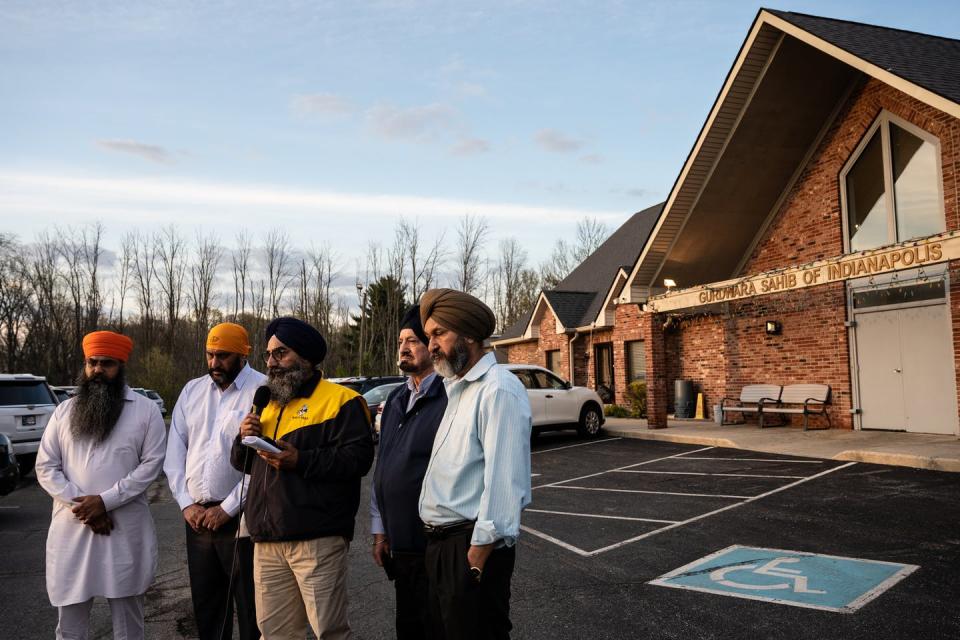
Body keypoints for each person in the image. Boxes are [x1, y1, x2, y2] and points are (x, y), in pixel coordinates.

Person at [231, 316, 374, 640]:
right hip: (267, 541)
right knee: (275, 635)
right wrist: (243, 438)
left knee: (330, 633)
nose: (271, 362)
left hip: (317, 539)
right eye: (268, 355)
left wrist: (301, 459)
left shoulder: (342, 401)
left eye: (280, 353)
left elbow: (359, 459)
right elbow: (243, 463)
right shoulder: (266, 402)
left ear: (305, 357)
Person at [36, 330, 167, 640]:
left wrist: (105, 501)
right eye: (91, 363)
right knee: (69, 625)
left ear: (121, 366)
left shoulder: (145, 410)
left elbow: (151, 465)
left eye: (106, 363)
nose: (97, 370)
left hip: (122, 530)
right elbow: (45, 465)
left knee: (128, 624)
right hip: (73, 529)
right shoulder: (65, 411)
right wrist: (86, 507)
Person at [417, 289, 532, 640]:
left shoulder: (498, 390)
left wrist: (475, 560)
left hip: (470, 550)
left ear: (468, 335)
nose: (431, 345)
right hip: (441, 548)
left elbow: (505, 484)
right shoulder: (458, 389)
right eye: (428, 336)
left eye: (439, 334)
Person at [165, 322, 266, 640]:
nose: (214, 363)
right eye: (209, 355)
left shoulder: (262, 391)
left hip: (243, 520)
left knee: (251, 611)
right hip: (196, 520)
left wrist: (228, 507)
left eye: (222, 356)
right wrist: (185, 504)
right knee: (208, 611)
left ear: (242, 354)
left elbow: (263, 464)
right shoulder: (192, 391)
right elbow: (174, 453)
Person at [371, 304, 448, 639]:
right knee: (409, 627)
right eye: (401, 340)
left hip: (436, 544)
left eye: (413, 340)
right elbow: (383, 466)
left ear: (432, 345)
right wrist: (380, 529)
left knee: (439, 628)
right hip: (400, 546)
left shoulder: (450, 396)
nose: (404, 347)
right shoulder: (396, 399)